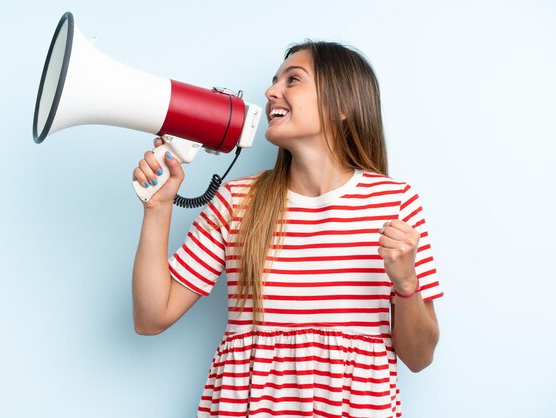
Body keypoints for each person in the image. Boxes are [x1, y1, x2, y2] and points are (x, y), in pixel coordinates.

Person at [131, 40, 443, 418]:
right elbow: (151, 318)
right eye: (275, 79)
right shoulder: (237, 201)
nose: (271, 91)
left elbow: (420, 357)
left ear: (340, 105)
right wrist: (159, 207)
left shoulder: (394, 202)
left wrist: (406, 285)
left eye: (292, 79)